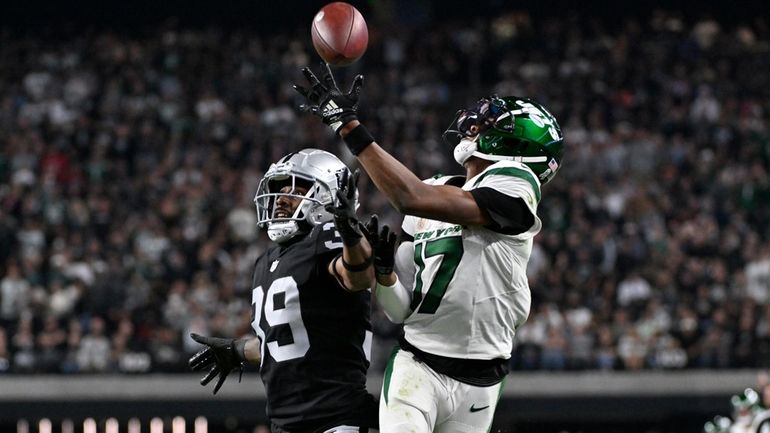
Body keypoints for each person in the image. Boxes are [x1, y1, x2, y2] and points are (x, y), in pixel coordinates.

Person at [294, 64, 564, 433]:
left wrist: (348, 126)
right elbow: (401, 312)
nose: (478, 124)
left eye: (496, 124)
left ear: (519, 145)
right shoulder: (436, 188)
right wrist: (386, 276)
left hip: (481, 381)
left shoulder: (516, 186)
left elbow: (409, 198)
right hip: (418, 363)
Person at [189, 148, 378, 433]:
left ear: (327, 196)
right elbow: (286, 340)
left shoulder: (330, 237)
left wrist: (349, 229)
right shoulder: (266, 260)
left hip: (338, 418)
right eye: (279, 189)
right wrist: (239, 349)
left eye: (296, 188)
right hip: (286, 424)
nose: (281, 199)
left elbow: (359, 278)